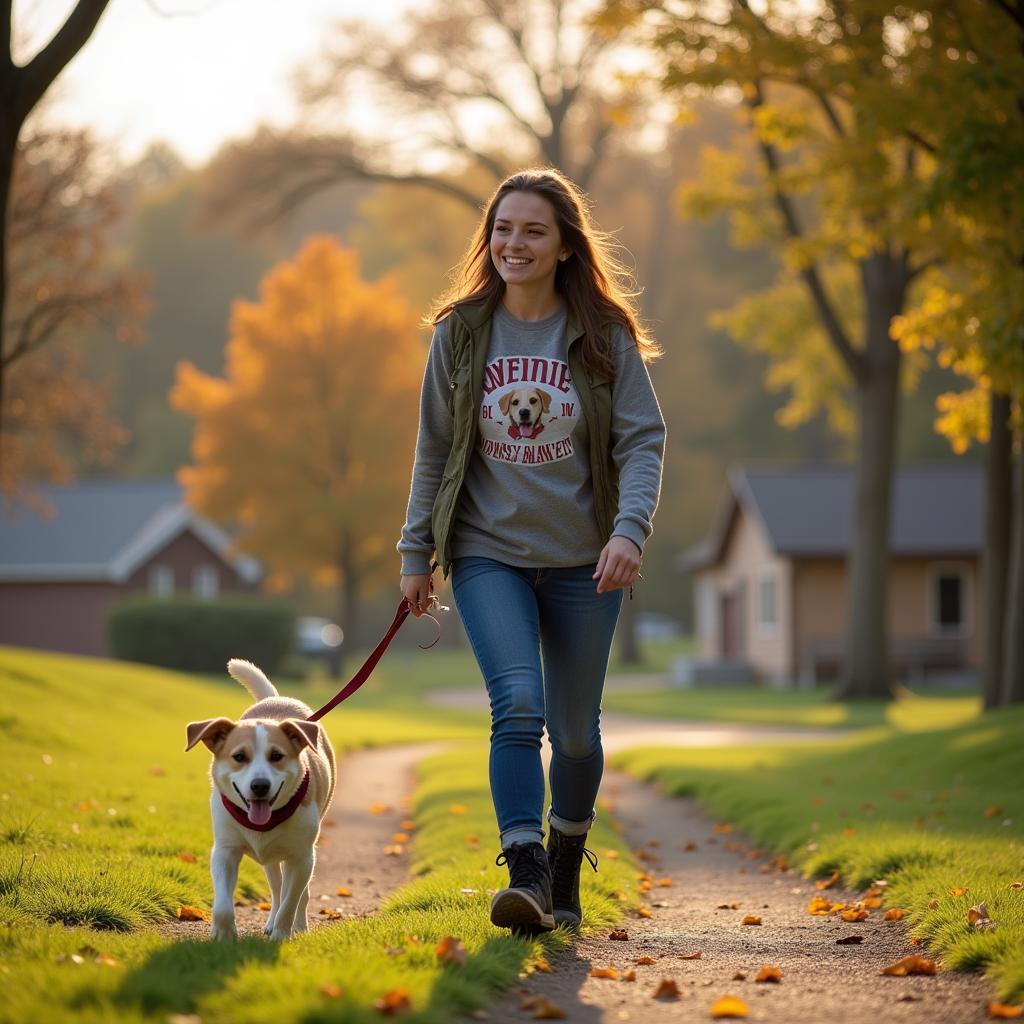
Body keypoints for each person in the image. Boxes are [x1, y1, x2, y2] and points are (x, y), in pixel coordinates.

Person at [397, 167, 665, 935]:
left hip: (588, 558)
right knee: (517, 704)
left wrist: (629, 531)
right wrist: (417, 551)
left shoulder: (603, 332)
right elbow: (434, 447)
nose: (513, 243)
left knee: (577, 732)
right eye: (503, 228)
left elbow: (643, 437)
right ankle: (525, 872)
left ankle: (565, 848)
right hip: (490, 554)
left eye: (533, 230)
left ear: (564, 246)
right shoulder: (461, 330)